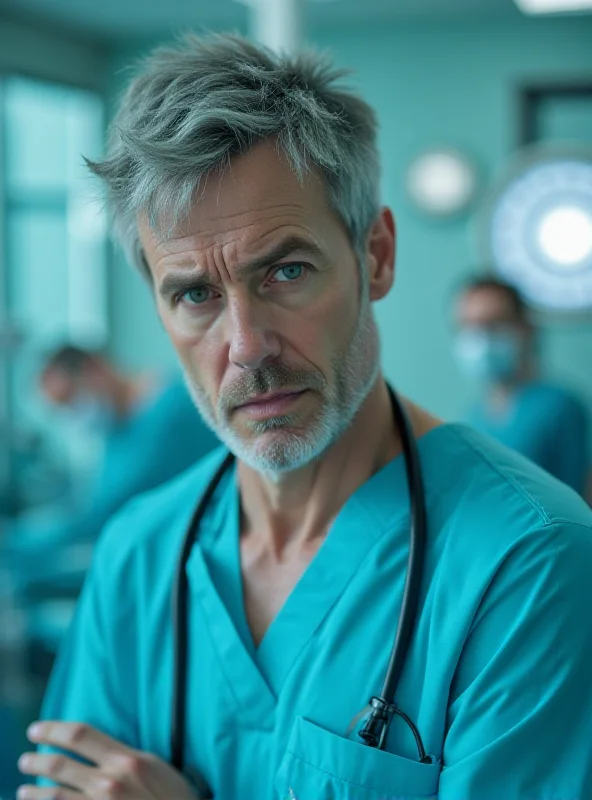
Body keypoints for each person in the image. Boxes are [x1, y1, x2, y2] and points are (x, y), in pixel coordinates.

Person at [17, 33, 592, 800]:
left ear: (375, 256)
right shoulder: (139, 560)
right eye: (195, 294)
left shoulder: (526, 563)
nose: (247, 347)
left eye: (286, 271)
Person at [5, 346, 220, 583]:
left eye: (69, 399)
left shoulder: (172, 412)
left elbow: (104, 509)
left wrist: (16, 543)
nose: (71, 415)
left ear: (95, 369)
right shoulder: (116, 433)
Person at [453, 275, 590, 495]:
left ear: (525, 328)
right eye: (468, 326)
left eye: (493, 324)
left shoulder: (560, 407)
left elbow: (580, 501)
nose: (480, 338)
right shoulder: (471, 418)